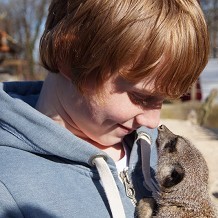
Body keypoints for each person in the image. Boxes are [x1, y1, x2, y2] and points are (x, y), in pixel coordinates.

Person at [0, 0, 209, 217]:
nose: (153, 122)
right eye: (140, 97)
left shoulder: (152, 146)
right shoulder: (9, 189)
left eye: (164, 100)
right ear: (70, 56)